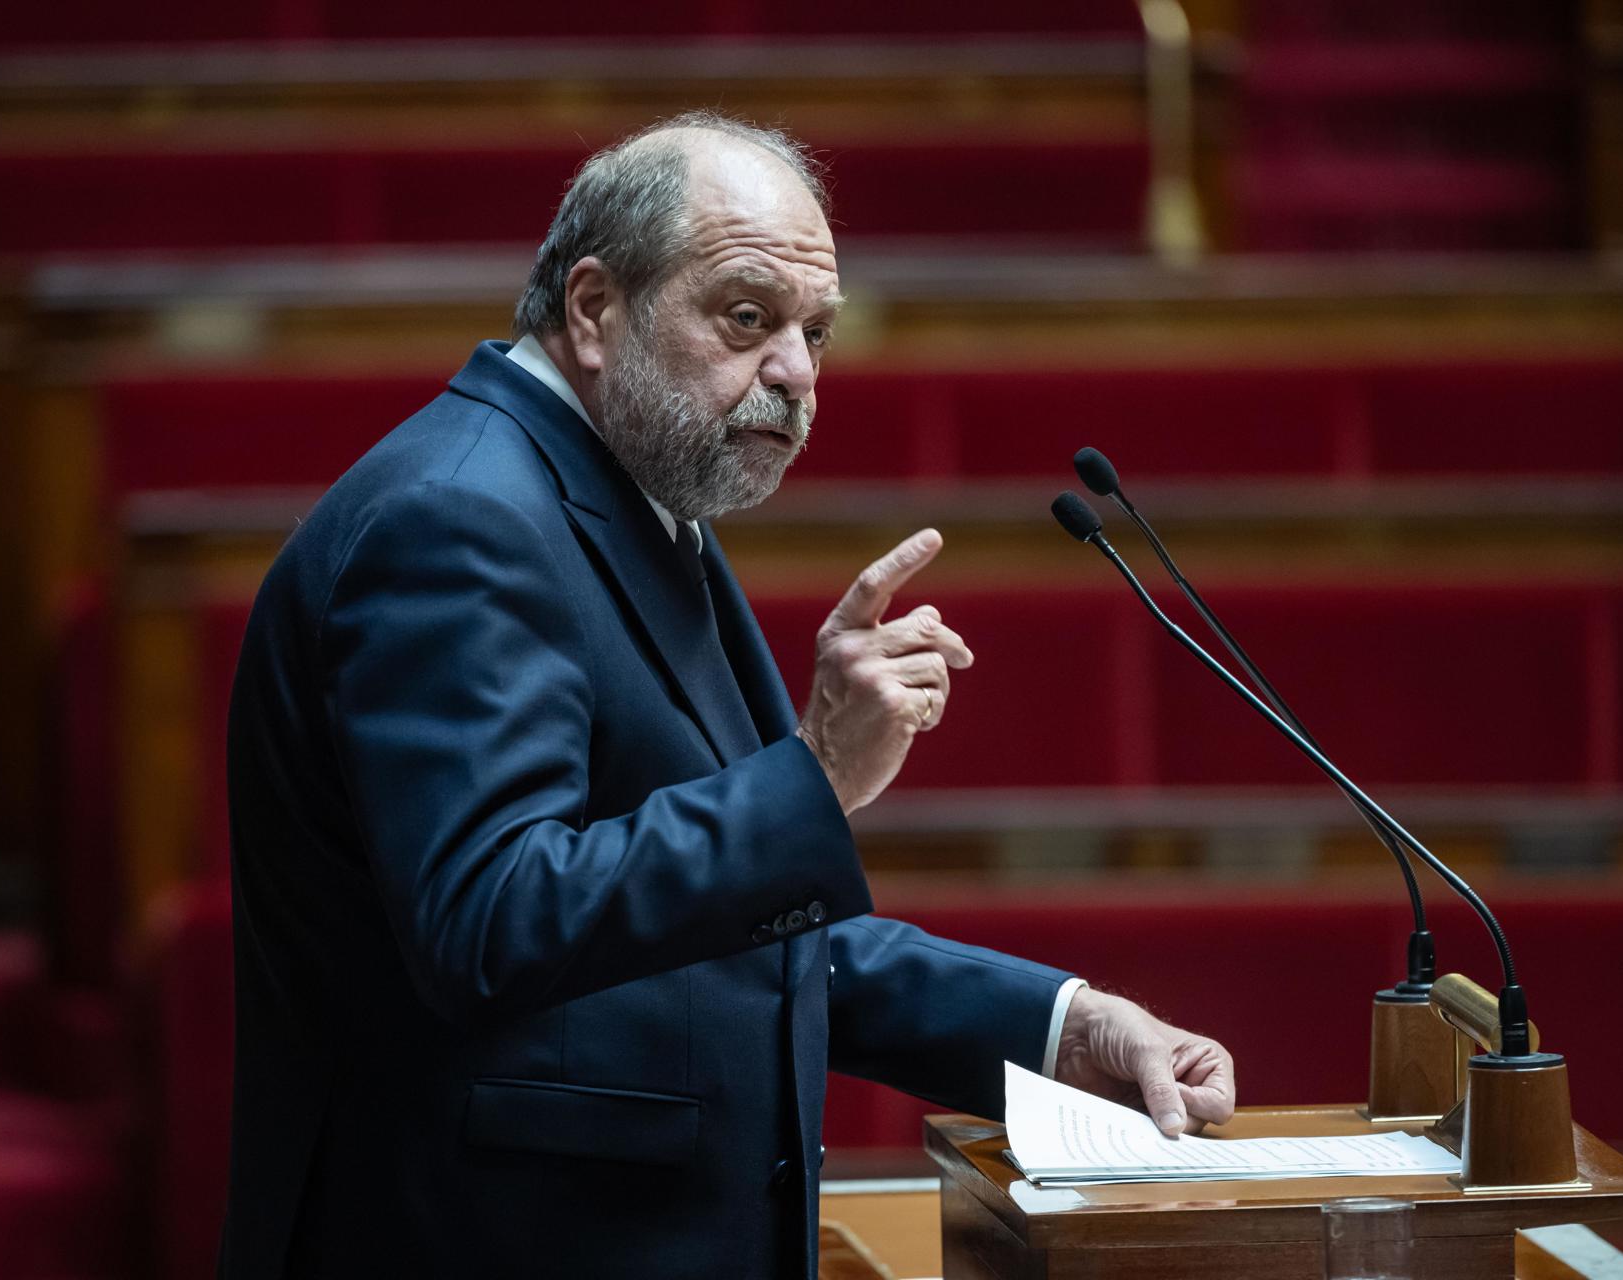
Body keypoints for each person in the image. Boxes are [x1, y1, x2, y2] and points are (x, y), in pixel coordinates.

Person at [220, 112, 1234, 1279]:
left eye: (815, 331)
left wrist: (1057, 1024)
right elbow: (490, 916)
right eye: (748, 317)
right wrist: (811, 774)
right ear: (596, 310)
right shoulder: (465, 521)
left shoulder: (621, 501)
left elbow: (739, 943)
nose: (798, 372)